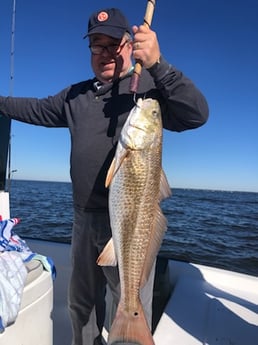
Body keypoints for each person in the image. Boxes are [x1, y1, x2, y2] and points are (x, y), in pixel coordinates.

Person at [0, 7, 209, 345]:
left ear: (130, 45)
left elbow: (197, 113)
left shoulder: (151, 90)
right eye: (97, 46)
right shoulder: (75, 96)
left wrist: (158, 64)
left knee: (127, 302)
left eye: (114, 43)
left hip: (132, 222)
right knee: (79, 306)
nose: (105, 53)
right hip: (83, 220)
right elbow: (33, 108)